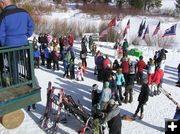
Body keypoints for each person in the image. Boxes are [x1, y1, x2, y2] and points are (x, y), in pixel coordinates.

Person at [0, 0, 35, 84]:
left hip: (10, 45)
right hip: (23, 44)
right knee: (26, 62)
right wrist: (25, 35)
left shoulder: (3, 15)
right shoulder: (24, 12)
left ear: (2, 3)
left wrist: (4, 44)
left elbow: (1, 34)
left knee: (13, 64)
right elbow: (31, 26)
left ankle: (15, 82)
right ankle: (31, 79)